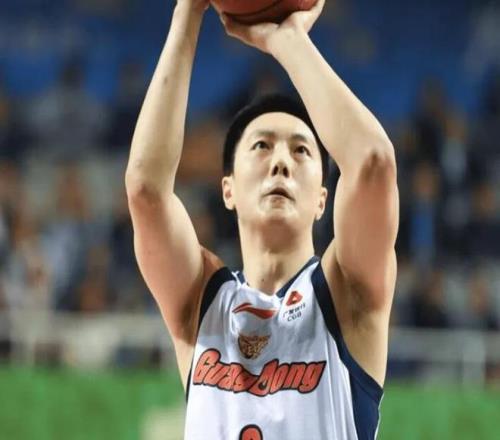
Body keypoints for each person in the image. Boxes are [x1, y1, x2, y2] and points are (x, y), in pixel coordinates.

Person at [125, 0, 399, 438]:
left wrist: (288, 40)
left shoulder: (347, 293)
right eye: (262, 146)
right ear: (228, 189)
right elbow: (145, 190)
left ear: (322, 200)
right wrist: (187, 13)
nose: (281, 162)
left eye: (301, 150)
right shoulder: (202, 302)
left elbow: (373, 162)